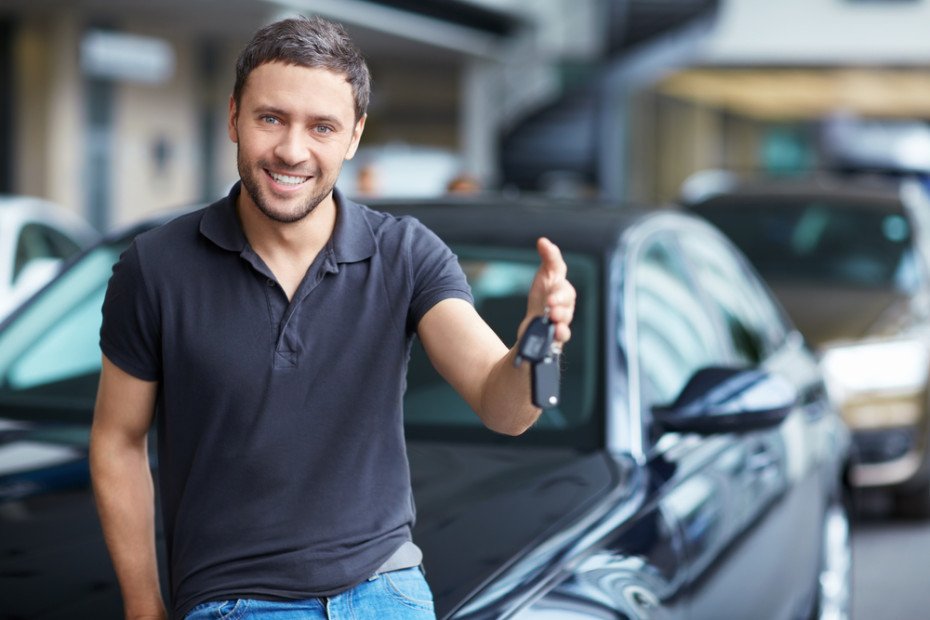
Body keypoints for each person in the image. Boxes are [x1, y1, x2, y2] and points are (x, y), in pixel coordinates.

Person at [89, 15, 576, 620]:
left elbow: (503, 409)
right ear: (234, 116)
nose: (292, 150)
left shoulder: (408, 254)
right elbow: (117, 438)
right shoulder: (155, 267)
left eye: (322, 127)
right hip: (236, 601)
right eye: (272, 118)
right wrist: (143, 605)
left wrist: (538, 345)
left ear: (354, 136)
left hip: (386, 590)